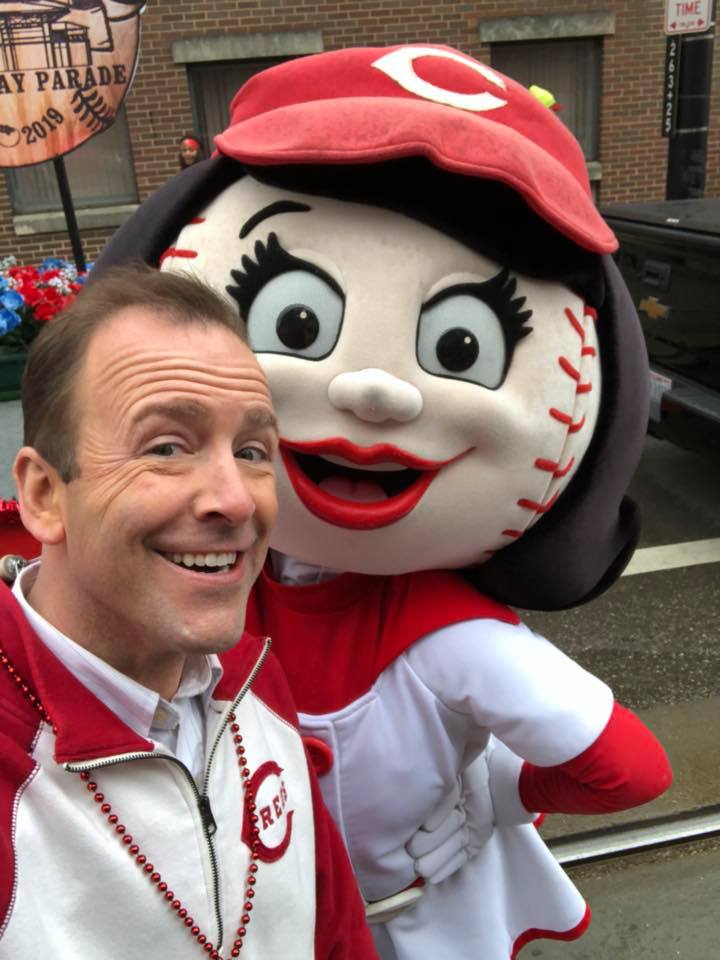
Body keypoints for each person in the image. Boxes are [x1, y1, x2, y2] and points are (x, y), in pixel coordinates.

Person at [9, 46, 674, 958]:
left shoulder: (356, 640)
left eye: (251, 447)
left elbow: (632, 767)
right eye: (294, 322)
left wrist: (494, 799)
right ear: (45, 485)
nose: (373, 393)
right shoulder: (188, 621)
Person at [0, 264, 377, 959]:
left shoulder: (252, 674)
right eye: (168, 447)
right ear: (46, 495)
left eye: (252, 450)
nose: (236, 500)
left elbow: (335, 930)